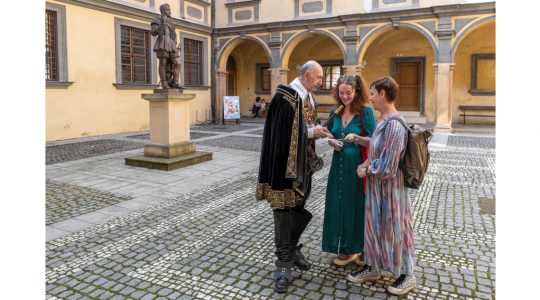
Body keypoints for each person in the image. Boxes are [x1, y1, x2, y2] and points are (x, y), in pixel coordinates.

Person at [256, 61, 333, 293]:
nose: (321, 82)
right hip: (283, 167)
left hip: (304, 165)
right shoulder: (284, 97)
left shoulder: (309, 97)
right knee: (282, 211)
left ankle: (293, 248)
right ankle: (282, 265)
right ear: (307, 75)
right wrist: (311, 132)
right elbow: (280, 132)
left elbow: (305, 125)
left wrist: (318, 131)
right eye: (319, 78)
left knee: (298, 207)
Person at [347, 76, 416, 296]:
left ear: (383, 95)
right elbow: (378, 146)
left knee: (397, 229)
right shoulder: (383, 119)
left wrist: (365, 169)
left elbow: (388, 165)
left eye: (374, 94)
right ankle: (373, 266)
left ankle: (407, 274)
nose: (371, 99)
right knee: (375, 226)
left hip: (392, 190)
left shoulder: (395, 124)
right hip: (378, 190)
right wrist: (358, 139)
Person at [322, 75, 375, 266]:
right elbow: (330, 135)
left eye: (348, 93)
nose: (344, 97)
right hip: (338, 164)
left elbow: (373, 140)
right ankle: (345, 249)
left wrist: (356, 138)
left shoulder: (365, 112)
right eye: (341, 93)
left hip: (357, 165)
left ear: (356, 92)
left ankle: (361, 248)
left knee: (357, 205)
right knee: (339, 205)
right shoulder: (334, 112)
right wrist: (332, 142)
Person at [151, 4, 182, 89]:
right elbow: (153, 32)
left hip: (171, 44)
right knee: (163, 64)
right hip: (162, 42)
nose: (170, 11)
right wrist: (161, 27)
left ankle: (175, 82)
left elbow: (173, 34)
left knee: (177, 63)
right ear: (163, 10)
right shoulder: (158, 19)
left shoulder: (170, 22)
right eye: (168, 10)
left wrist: (175, 45)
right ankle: (164, 82)